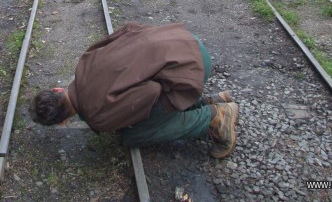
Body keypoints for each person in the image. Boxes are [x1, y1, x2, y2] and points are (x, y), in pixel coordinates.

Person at [29, 21, 239, 159]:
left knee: (136, 135)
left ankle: (217, 117)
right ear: (57, 89)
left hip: (192, 66)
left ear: (64, 121)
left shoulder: (97, 117)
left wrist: (128, 120)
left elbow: (151, 92)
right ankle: (208, 102)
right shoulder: (84, 63)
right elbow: (128, 28)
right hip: (181, 39)